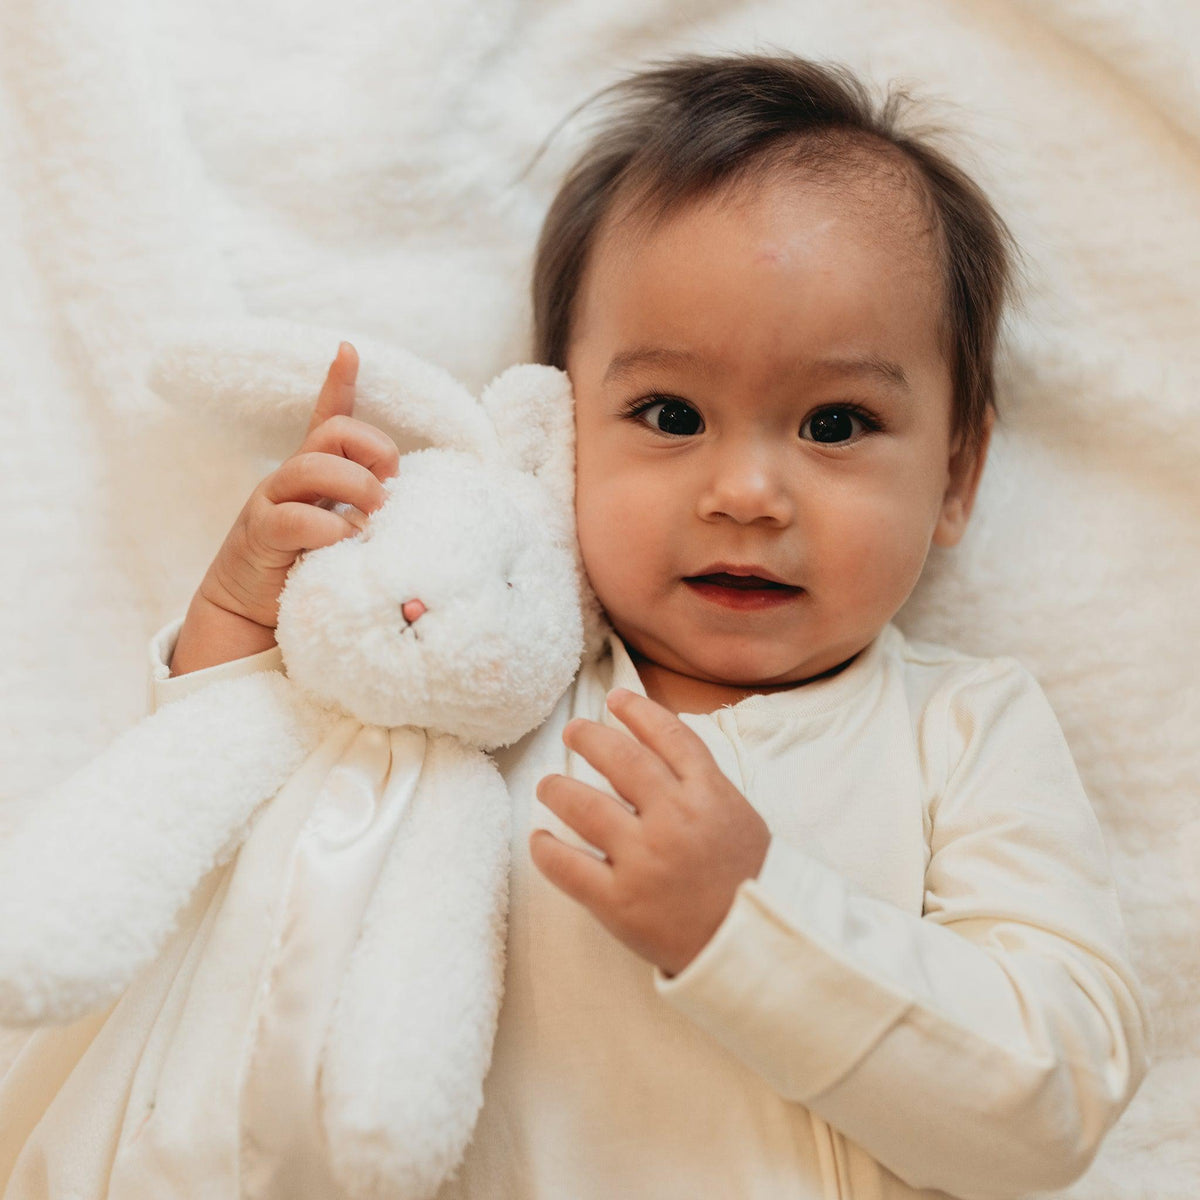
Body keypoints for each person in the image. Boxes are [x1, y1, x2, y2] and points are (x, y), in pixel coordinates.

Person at [18, 52, 1153, 1199]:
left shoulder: (960, 733)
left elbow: (1055, 1096)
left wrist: (750, 918)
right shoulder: (495, 689)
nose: (748, 492)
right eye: (670, 414)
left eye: (836, 421)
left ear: (956, 473)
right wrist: (239, 612)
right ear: (561, 434)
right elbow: (248, 830)